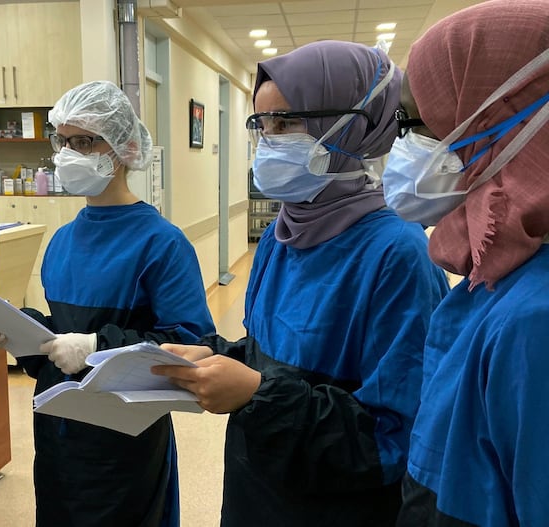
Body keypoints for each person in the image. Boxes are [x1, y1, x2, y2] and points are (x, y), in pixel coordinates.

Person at [152, 41, 449, 526]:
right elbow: (271, 355)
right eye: (262, 125)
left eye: (287, 123)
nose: (270, 141)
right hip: (255, 488)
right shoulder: (279, 235)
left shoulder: (397, 254)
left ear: (352, 126)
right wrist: (221, 359)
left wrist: (256, 395)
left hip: (335, 507)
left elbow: (394, 434)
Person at [0, 80, 215, 526]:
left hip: (125, 438)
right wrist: (21, 332)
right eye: (62, 140)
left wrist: (96, 346)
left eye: (84, 141)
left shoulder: (161, 243)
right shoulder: (63, 240)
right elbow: (57, 348)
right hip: (56, 434)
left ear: (123, 147)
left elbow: (189, 346)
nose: (68, 153)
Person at [378, 1, 549, 525]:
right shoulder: (495, 280)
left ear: (504, 123)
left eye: (425, 122)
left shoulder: (533, 321)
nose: (406, 147)